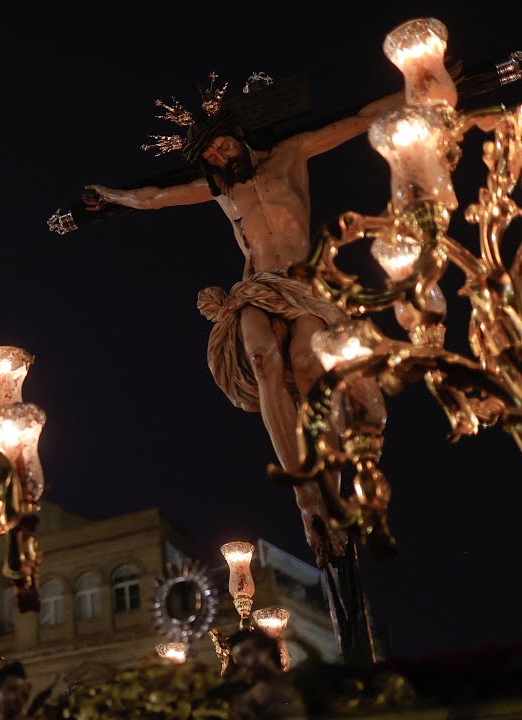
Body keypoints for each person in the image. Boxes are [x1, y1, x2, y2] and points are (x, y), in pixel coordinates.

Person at [80, 75, 403, 567]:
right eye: (209, 153)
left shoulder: (290, 153)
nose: (219, 153)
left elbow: (357, 121)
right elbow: (155, 198)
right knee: (264, 361)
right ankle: (304, 497)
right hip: (257, 288)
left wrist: (414, 89)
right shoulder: (221, 193)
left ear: (239, 135)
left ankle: (329, 494)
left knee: (310, 369)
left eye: (223, 142)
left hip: (305, 285)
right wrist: (115, 197)